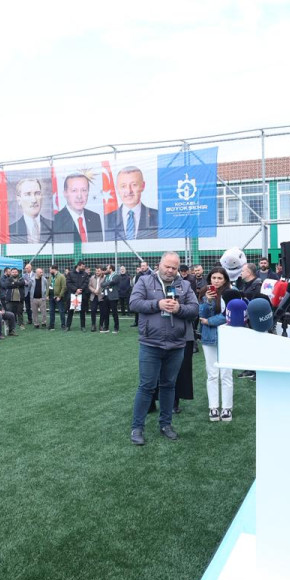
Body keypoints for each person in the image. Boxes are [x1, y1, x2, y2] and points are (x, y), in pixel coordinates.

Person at [128, 252, 198, 446]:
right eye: (167, 266)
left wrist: (179, 309)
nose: (170, 270)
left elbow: (194, 309)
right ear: (159, 264)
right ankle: (137, 428)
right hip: (151, 343)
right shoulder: (144, 281)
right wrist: (157, 304)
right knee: (146, 386)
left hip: (176, 345)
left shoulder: (184, 285)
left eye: (174, 268)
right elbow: (134, 303)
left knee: (169, 386)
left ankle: (166, 424)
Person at [198, 267, 234, 422]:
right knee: (212, 374)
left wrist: (210, 321)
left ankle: (227, 408)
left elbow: (230, 316)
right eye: (214, 278)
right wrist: (208, 301)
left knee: (226, 373)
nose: (216, 281)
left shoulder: (231, 293)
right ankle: (213, 407)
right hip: (208, 337)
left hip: (227, 337)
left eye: (220, 278)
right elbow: (201, 315)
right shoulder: (204, 292)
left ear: (225, 279)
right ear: (210, 279)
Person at [104, 166, 158, 239]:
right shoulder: (106, 220)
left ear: (143, 186)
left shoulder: (158, 217)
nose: (129, 191)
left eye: (134, 185)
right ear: (117, 188)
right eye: (123, 186)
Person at [51, 173, 103, 242]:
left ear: (88, 192)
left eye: (84, 190)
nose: (79, 196)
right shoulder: (55, 222)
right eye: (74, 190)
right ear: (65, 193)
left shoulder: (95, 218)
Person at [8, 177, 53, 244]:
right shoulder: (10, 231)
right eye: (28, 194)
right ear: (19, 200)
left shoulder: (55, 227)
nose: (34, 200)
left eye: (37, 193)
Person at [48, 265, 67, 331]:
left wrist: (60, 296)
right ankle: (51, 325)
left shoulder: (61, 276)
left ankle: (63, 325)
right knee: (51, 311)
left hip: (58, 296)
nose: (49, 271)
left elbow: (64, 287)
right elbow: (48, 286)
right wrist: (47, 294)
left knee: (61, 311)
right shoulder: (50, 277)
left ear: (54, 269)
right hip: (51, 296)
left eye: (50, 269)